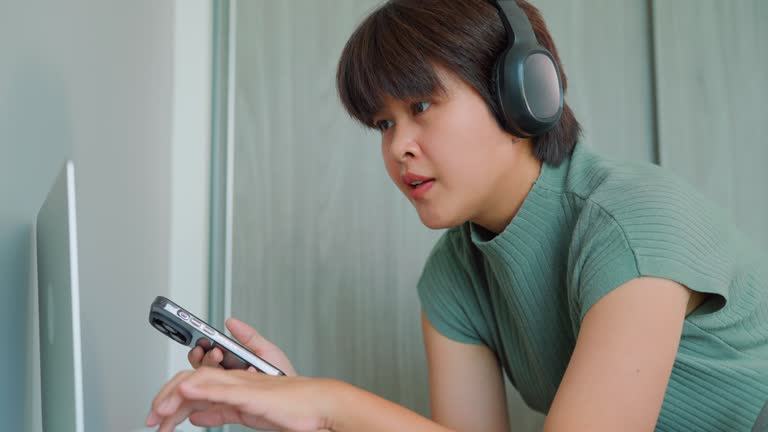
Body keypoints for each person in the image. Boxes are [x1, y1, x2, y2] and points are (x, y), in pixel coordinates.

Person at [145, 0, 768, 431]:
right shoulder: (453, 276)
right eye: (384, 123)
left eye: (421, 105)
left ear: (525, 92)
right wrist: (289, 400)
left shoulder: (631, 223)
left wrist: (327, 402)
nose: (397, 147)